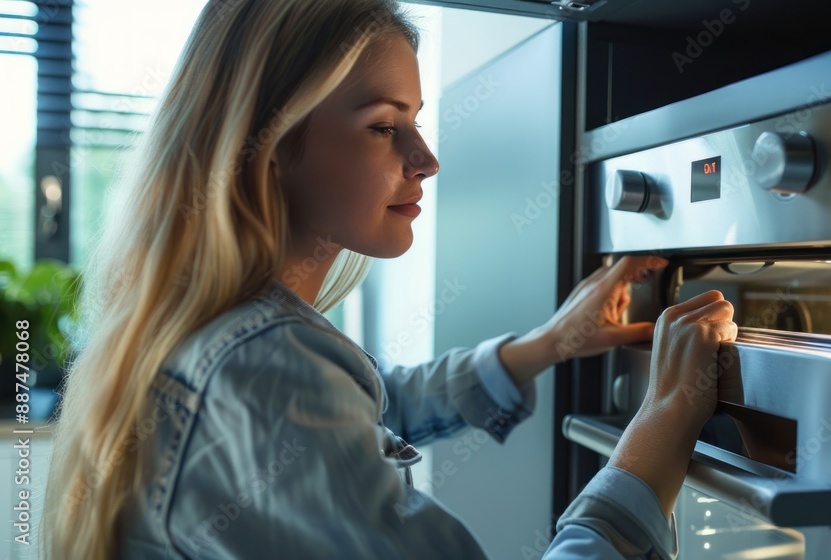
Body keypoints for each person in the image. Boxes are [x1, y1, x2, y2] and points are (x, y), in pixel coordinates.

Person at [40, 1, 737, 558]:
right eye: (384, 127)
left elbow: (379, 410)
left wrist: (550, 342)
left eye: (417, 122)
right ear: (273, 146)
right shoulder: (259, 366)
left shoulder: (223, 338)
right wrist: (661, 429)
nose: (426, 158)